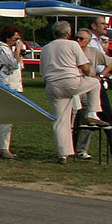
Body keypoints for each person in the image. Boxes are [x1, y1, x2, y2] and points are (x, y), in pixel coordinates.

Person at [39, 21, 106, 164]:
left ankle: (62, 154)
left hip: (52, 85)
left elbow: (43, 70)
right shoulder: (73, 45)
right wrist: (88, 74)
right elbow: (84, 66)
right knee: (94, 83)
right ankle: (92, 113)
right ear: (69, 34)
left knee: (60, 121)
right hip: (70, 81)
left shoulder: (46, 48)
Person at [78, 22, 112, 157]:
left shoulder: (96, 46)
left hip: (96, 86)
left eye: (81, 38)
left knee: (104, 115)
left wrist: (103, 75)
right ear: (94, 25)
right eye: (102, 23)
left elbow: (111, 62)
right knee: (81, 118)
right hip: (78, 87)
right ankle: (77, 150)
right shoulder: (77, 48)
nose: (106, 26)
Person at [0, 25, 25, 159]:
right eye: (16, 38)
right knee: (7, 117)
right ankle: (4, 148)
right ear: (8, 38)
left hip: (13, 85)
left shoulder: (9, 50)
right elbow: (13, 65)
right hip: (6, 85)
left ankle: (0, 146)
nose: (18, 41)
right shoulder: (2, 50)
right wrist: (17, 51)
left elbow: (19, 65)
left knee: (6, 118)